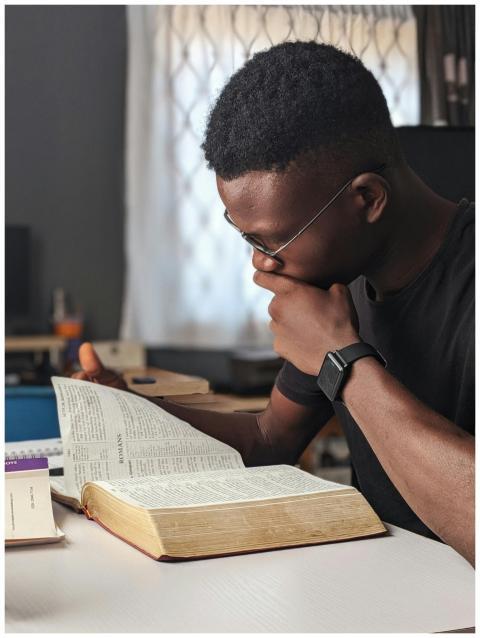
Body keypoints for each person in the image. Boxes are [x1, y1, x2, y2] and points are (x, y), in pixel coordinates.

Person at [73, 42, 474, 565]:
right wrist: (134, 412)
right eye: (248, 241)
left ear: (367, 200)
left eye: (271, 242)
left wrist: (344, 363)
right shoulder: (339, 281)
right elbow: (268, 441)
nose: (261, 265)